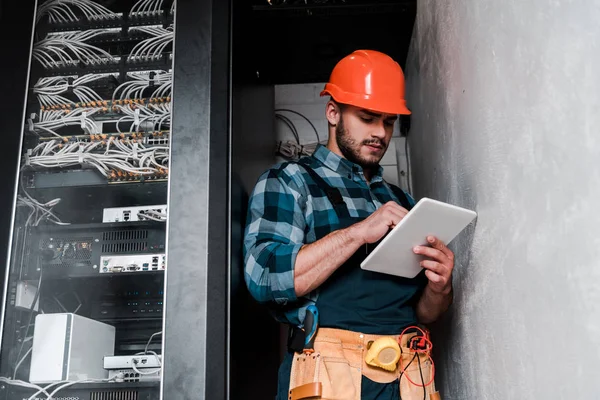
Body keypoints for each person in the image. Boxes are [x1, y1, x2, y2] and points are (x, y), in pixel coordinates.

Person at [244, 50, 453, 400]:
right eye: (368, 118)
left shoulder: (403, 202)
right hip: (330, 374)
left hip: (408, 375)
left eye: (388, 122)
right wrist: (358, 233)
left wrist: (439, 288)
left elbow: (423, 313)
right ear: (333, 112)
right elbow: (264, 275)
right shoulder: (291, 182)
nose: (380, 133)